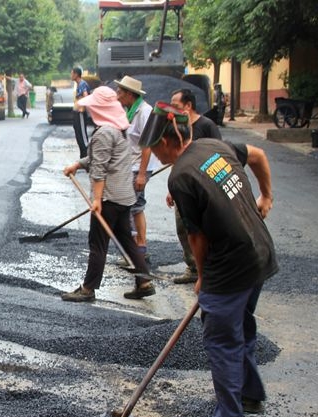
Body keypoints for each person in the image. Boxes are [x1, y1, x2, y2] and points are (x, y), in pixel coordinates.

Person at [139, 101, 276, 417]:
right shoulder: (214, 146)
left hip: (230, 265)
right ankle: (249, 395)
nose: (154, 155)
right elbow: (258, 155)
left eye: (154, 148)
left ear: (167, 141)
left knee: (221, 342)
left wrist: (203, 277)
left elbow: (197, 238)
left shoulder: (181, 176)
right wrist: (266, 196)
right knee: (242, 324)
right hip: (259, 252)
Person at [61, 86, 155, 303]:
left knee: (98, 243)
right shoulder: (119, 128)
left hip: (109, 198)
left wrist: (97, 199)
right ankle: (144, 282)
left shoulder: (104, 132)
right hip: (124, 196)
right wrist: (78, 164)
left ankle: (88, 288)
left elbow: (100, 168)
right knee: (127, 240)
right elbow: (102, 158)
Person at [167, 87, 222, 284]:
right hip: (185, 188)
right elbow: (176, 159)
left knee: (206, 229)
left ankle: (210, 269)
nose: (172, 109)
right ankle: (193, 267)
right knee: (184, 227)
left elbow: (220, 154)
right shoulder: (178, 127)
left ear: (188, 105)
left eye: (176, 105)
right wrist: (171, 189)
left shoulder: (206, 125)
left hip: (205, 187)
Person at [114, 75, 162, 259]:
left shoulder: (144, 111)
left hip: (139, 167)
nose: (117, 95)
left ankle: (136, 251)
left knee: (130, 207)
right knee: (136, 207)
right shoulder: (130, 111)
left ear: (130, 94)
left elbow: (147, 145)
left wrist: (142, 174)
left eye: (120, 92)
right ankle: (139, 248)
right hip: (131, 165)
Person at [71, 67, 90, 158]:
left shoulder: (82, 84)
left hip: (80, 114)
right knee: (78, 134)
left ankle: (86, 155)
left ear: (76, 74)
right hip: (77, 113)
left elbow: (86, 96)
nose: (71, 75)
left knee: (82, 135)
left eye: (72, 73)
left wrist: (82, 108)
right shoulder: (78, 84)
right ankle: (82, 156)